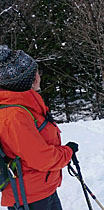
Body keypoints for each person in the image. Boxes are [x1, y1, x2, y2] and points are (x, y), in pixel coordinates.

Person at [0, 45, 78, 209]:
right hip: (29, 198)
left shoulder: (26, 106)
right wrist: (68, 152)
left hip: (41, 189)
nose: (39, 77)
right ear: (29, 79)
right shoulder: (14, 115)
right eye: (36, 72)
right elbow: (42, 158)